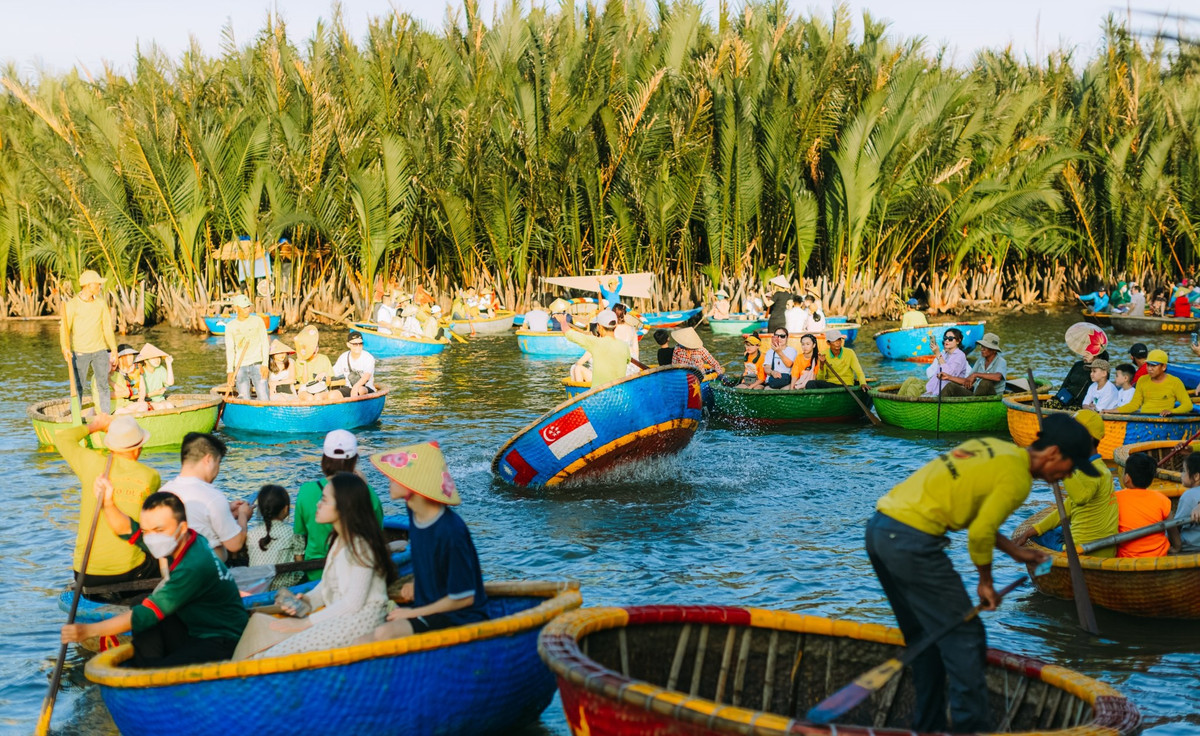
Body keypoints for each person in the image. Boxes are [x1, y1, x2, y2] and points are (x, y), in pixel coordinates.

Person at [866, 415, 1094, 732]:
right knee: (967, 638)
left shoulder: (991, 447)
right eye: (1070, 467)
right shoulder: (1018, 479)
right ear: (1054, 454)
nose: (1066, 476)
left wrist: (1016, 551)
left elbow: (974, 512)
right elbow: (979, 534)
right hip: (911, 543)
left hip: (880, 530)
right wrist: (985, 583)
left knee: (926, 640)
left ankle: (927, 727)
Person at [60, 490, 247, 666]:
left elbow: (147, 614)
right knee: (140, 601)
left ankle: (151, 673)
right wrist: (108, 503)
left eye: (158, 530)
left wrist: (89, 631)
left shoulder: (193, 566)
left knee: (159, 660)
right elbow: (127, 529)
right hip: (197, 626)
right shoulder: (187, 539)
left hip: (221, 638)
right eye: (147, 531)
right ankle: (148, 664)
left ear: (181, 528)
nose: (152, 538)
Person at [242, 472, 397, 658]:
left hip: (358, 623)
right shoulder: (340, 539)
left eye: (324, 500)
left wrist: (305, 623)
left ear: (343, 507)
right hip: (342, 619)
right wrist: (308, 600)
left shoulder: (360, 545)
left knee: (269, 655)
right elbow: (326, 585)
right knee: (261, 632)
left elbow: (353, 603)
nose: (318, 504)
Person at [369, 441, 488, 639]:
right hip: (428, 607)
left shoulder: (451, 531)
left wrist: (412, 613)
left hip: (457, 618)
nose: (388, 478)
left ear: (413, 485)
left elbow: (464, 598)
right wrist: (417, 581)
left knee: (383, 633)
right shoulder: (414, 512)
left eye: (396, 475)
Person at [55, 414, 160, 601]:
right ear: (138, 448)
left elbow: (62, 438)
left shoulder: (91, 463)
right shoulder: (150, 476)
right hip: (129, 571)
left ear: (110, 446)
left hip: (84, 573)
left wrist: (94, 425)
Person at [1013, 410, 1119, 557]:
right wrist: (1034, 529)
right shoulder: (1099, 468)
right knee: (1043, 532)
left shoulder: (1093, 471)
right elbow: (1068, 508)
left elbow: (1080, 497)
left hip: (1083, 551)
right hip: (1102, 548)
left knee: (1037, 539)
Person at [295, 430, 384, 580]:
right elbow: (377, 534)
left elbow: (299, 539)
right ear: (354, 461)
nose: (319, 504)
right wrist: (365, 486)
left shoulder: (306, 491)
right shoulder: (368, 493)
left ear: (324, 459)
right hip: (354, 570)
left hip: (313, 573)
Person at [160, 432, 250, 562]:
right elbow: (235, 545)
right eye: (218, 462)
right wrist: (243, 515)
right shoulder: (213, 496)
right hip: (207, 572)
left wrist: (227, 510)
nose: (218, 470)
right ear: (208, 460)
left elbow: (195, 516)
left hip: (174, 568)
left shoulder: (163, 492)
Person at [61, 269, 119, 414]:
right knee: (78, 385)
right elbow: (64, 329)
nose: (100, 287)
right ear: (88, 285)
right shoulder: (73, 305)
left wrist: (114, 350)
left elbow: (107, 328)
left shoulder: (100, 303)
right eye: (98, 284)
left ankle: (105, 415)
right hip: (80, 352)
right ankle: (75, 412)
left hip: (100, 350)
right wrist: (64, 347)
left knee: (103, 384)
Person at [1114, 453, 1177, 558]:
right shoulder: (1161, 498)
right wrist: (1177, 547)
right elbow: (1173, 529)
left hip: (1127, 558)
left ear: (1127, 478)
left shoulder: (1116, 498)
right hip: (1159, 556)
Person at [247, 484, 305, 590]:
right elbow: (299, 563)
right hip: (284, 586)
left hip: (257, 588)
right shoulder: (293, 533)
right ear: (285, 509)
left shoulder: (251, 534)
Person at [555, 309, 630, 387]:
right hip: (619, 394)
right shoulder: (624, 346)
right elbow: (628, 360)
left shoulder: (595, 343)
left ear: (599, 327)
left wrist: (563, 321)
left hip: (599, 395)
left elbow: (568, 333)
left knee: (577, 368)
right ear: (616, 326)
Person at [1117, 349, 1193, 416]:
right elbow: (1134, 405)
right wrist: (1114, 411)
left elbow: (1188, 405)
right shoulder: (1142, 380)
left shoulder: (1175, 382)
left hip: (1163, 420)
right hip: (1143, 419)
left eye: (1153, 366)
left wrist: (1172, 411)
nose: (1149, 369)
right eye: (1148, 365)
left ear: (1164, 367)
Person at [225, 294, 270, 400]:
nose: (247, 310)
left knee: (264, 396)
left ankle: (265, 414)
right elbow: (230, 349)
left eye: (248, 307)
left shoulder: (258, 321)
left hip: (257, 364)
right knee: (244, 398)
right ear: (236, 308)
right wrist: (230, 371)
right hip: (240, 367)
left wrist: (265, 364)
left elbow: (265, 343)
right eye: (244, 307)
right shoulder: (230, 326)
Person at [941, 332, 1006, 397]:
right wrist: (949, 377)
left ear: (994, 350)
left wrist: (976, 374)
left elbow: (998, 377)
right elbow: (968, 380)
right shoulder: (981, 360)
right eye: (982, 346)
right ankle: (936, 404)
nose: (982, 349)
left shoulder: (1001, 361)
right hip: (976, 394)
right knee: (950, 386)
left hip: (993, 397)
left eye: (985, 347)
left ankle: (975, 403)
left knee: (985, 382)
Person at [294, 325, 335, 402]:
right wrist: (305, 363)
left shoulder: (324, 358)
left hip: (321, 387)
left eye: (316, 347)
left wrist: (325, 375)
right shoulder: (299, 361)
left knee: (318, 397)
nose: (314, 350)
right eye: (312, 348)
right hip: (305, 388)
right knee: (309, 398)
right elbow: (304, 381)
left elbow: (328, 382)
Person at [332, 330, 377, 398]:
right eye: (355, 344)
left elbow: (366, 376)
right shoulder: (343, 357)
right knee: (333, 395)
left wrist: (355, 387)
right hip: (349, 387)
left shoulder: (368, 357)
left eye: (360, 343)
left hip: (366, 388)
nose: (358, 346)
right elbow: (333, 372)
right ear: (348, 345)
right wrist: (324, 374)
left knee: (360, 390)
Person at [1172, 452, 1200, 554]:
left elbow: (1176, 525)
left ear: (1196, 476)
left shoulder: (1189, 495)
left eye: (1184, 471)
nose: (1181, 474)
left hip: (1191, 545)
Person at [133, 343, 175, 410]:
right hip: (146, 401)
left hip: (160, 399)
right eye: (153, 358)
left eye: (158, 357)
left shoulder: (160, 369)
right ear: (146, 361)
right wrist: (154, 393)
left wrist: (168, 364)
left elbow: (170, 383)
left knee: (170, 405)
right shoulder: (140, 371)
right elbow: (136, 396)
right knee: (161, 406)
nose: (157, 360)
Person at [109, 344, 141, 412]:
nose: (131, 358)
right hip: (122, 401)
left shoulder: (138, 367)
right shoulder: (114, 371)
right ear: (120, 358)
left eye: (131, 355)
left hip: (137, 399)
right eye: (127, 356)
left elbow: (142, 387)